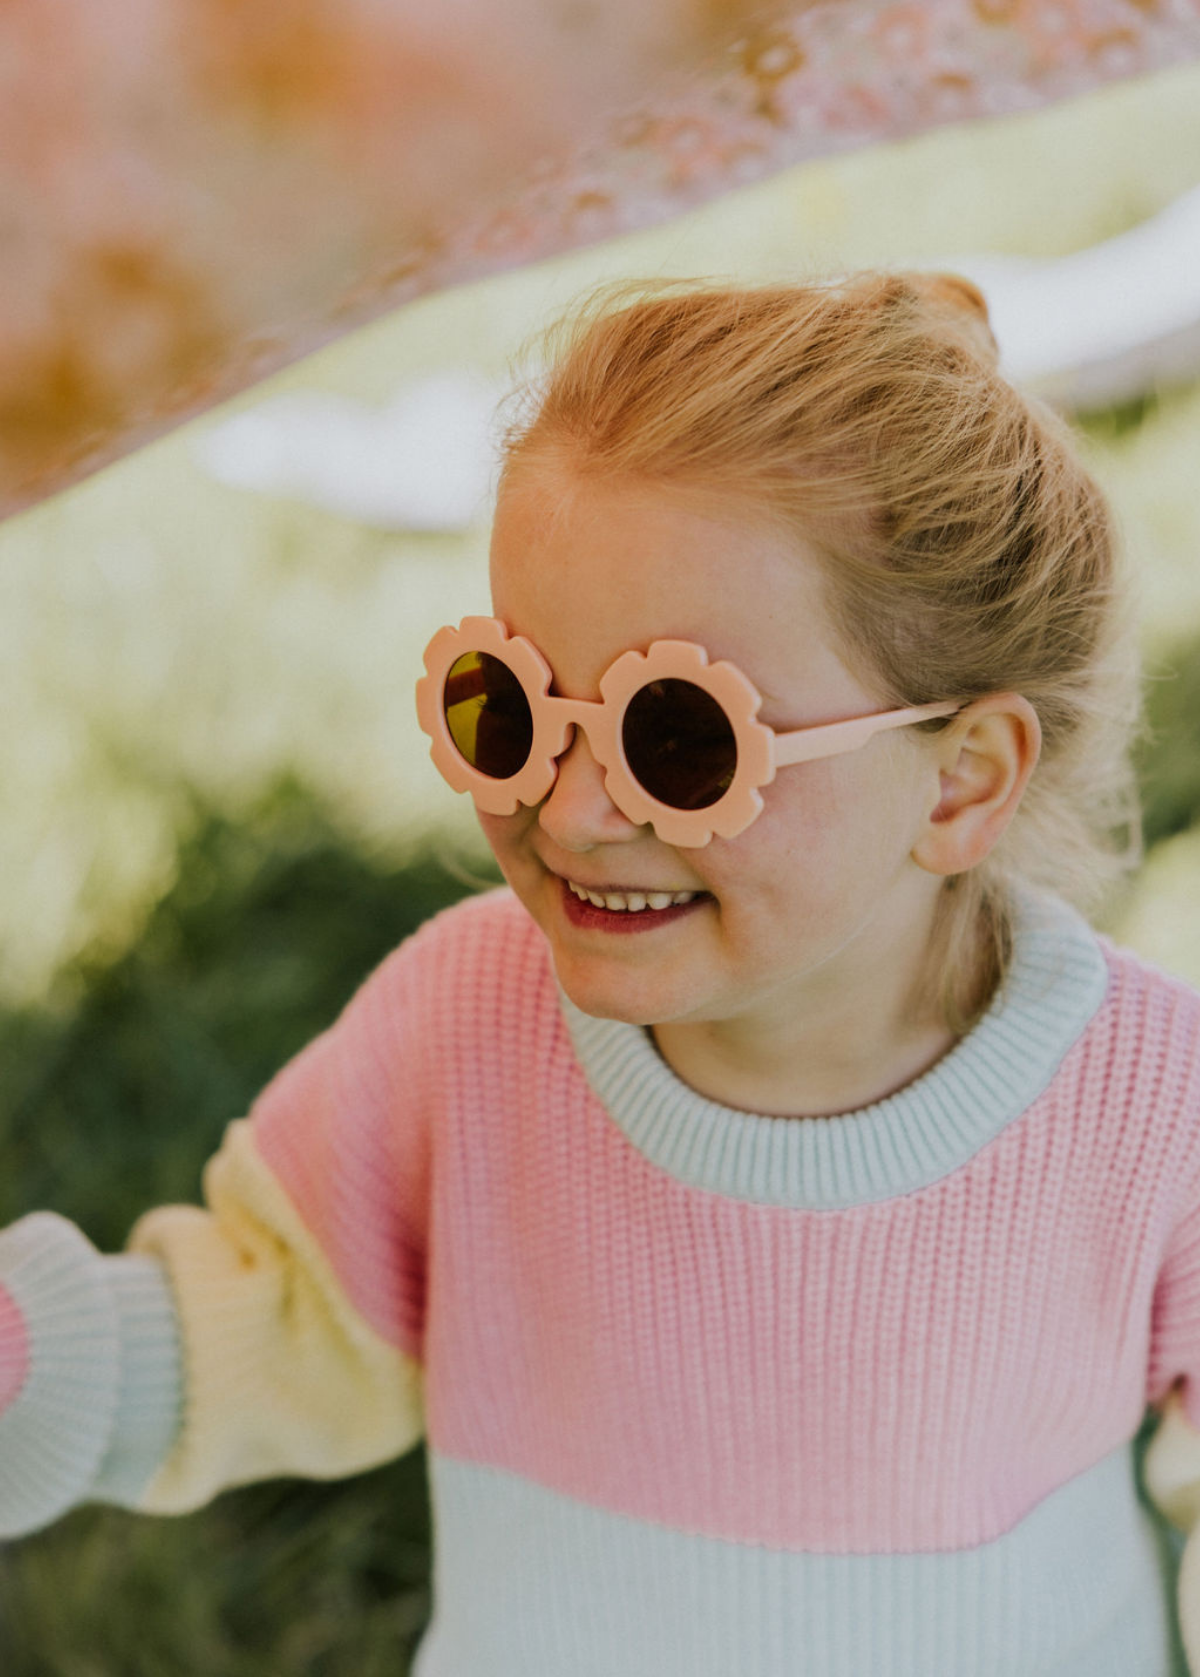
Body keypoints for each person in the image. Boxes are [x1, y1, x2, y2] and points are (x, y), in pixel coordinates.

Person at [3, 270, 1200, 1676]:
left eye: (679, 740)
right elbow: (269, 1316)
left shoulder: (1147, 1108)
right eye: (509, 710)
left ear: (960, 783)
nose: (570, 813)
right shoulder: (467, 1026)